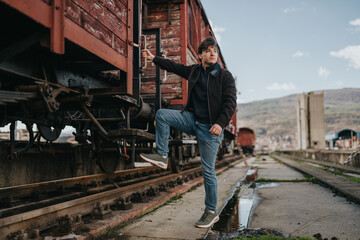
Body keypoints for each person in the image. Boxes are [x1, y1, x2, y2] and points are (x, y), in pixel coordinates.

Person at [140, 37, 237, 228]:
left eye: (214, 51)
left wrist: (221, 123)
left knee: (208, 171)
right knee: (162, 115)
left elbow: (230, 103)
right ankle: (162, 155)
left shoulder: (225, 76)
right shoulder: (194, 71)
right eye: (208, 50)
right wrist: (153, 58)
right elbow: (174, 67)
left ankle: (211, 212)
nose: (212, 53)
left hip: (211, 128)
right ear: (200, 54)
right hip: (193, 120)